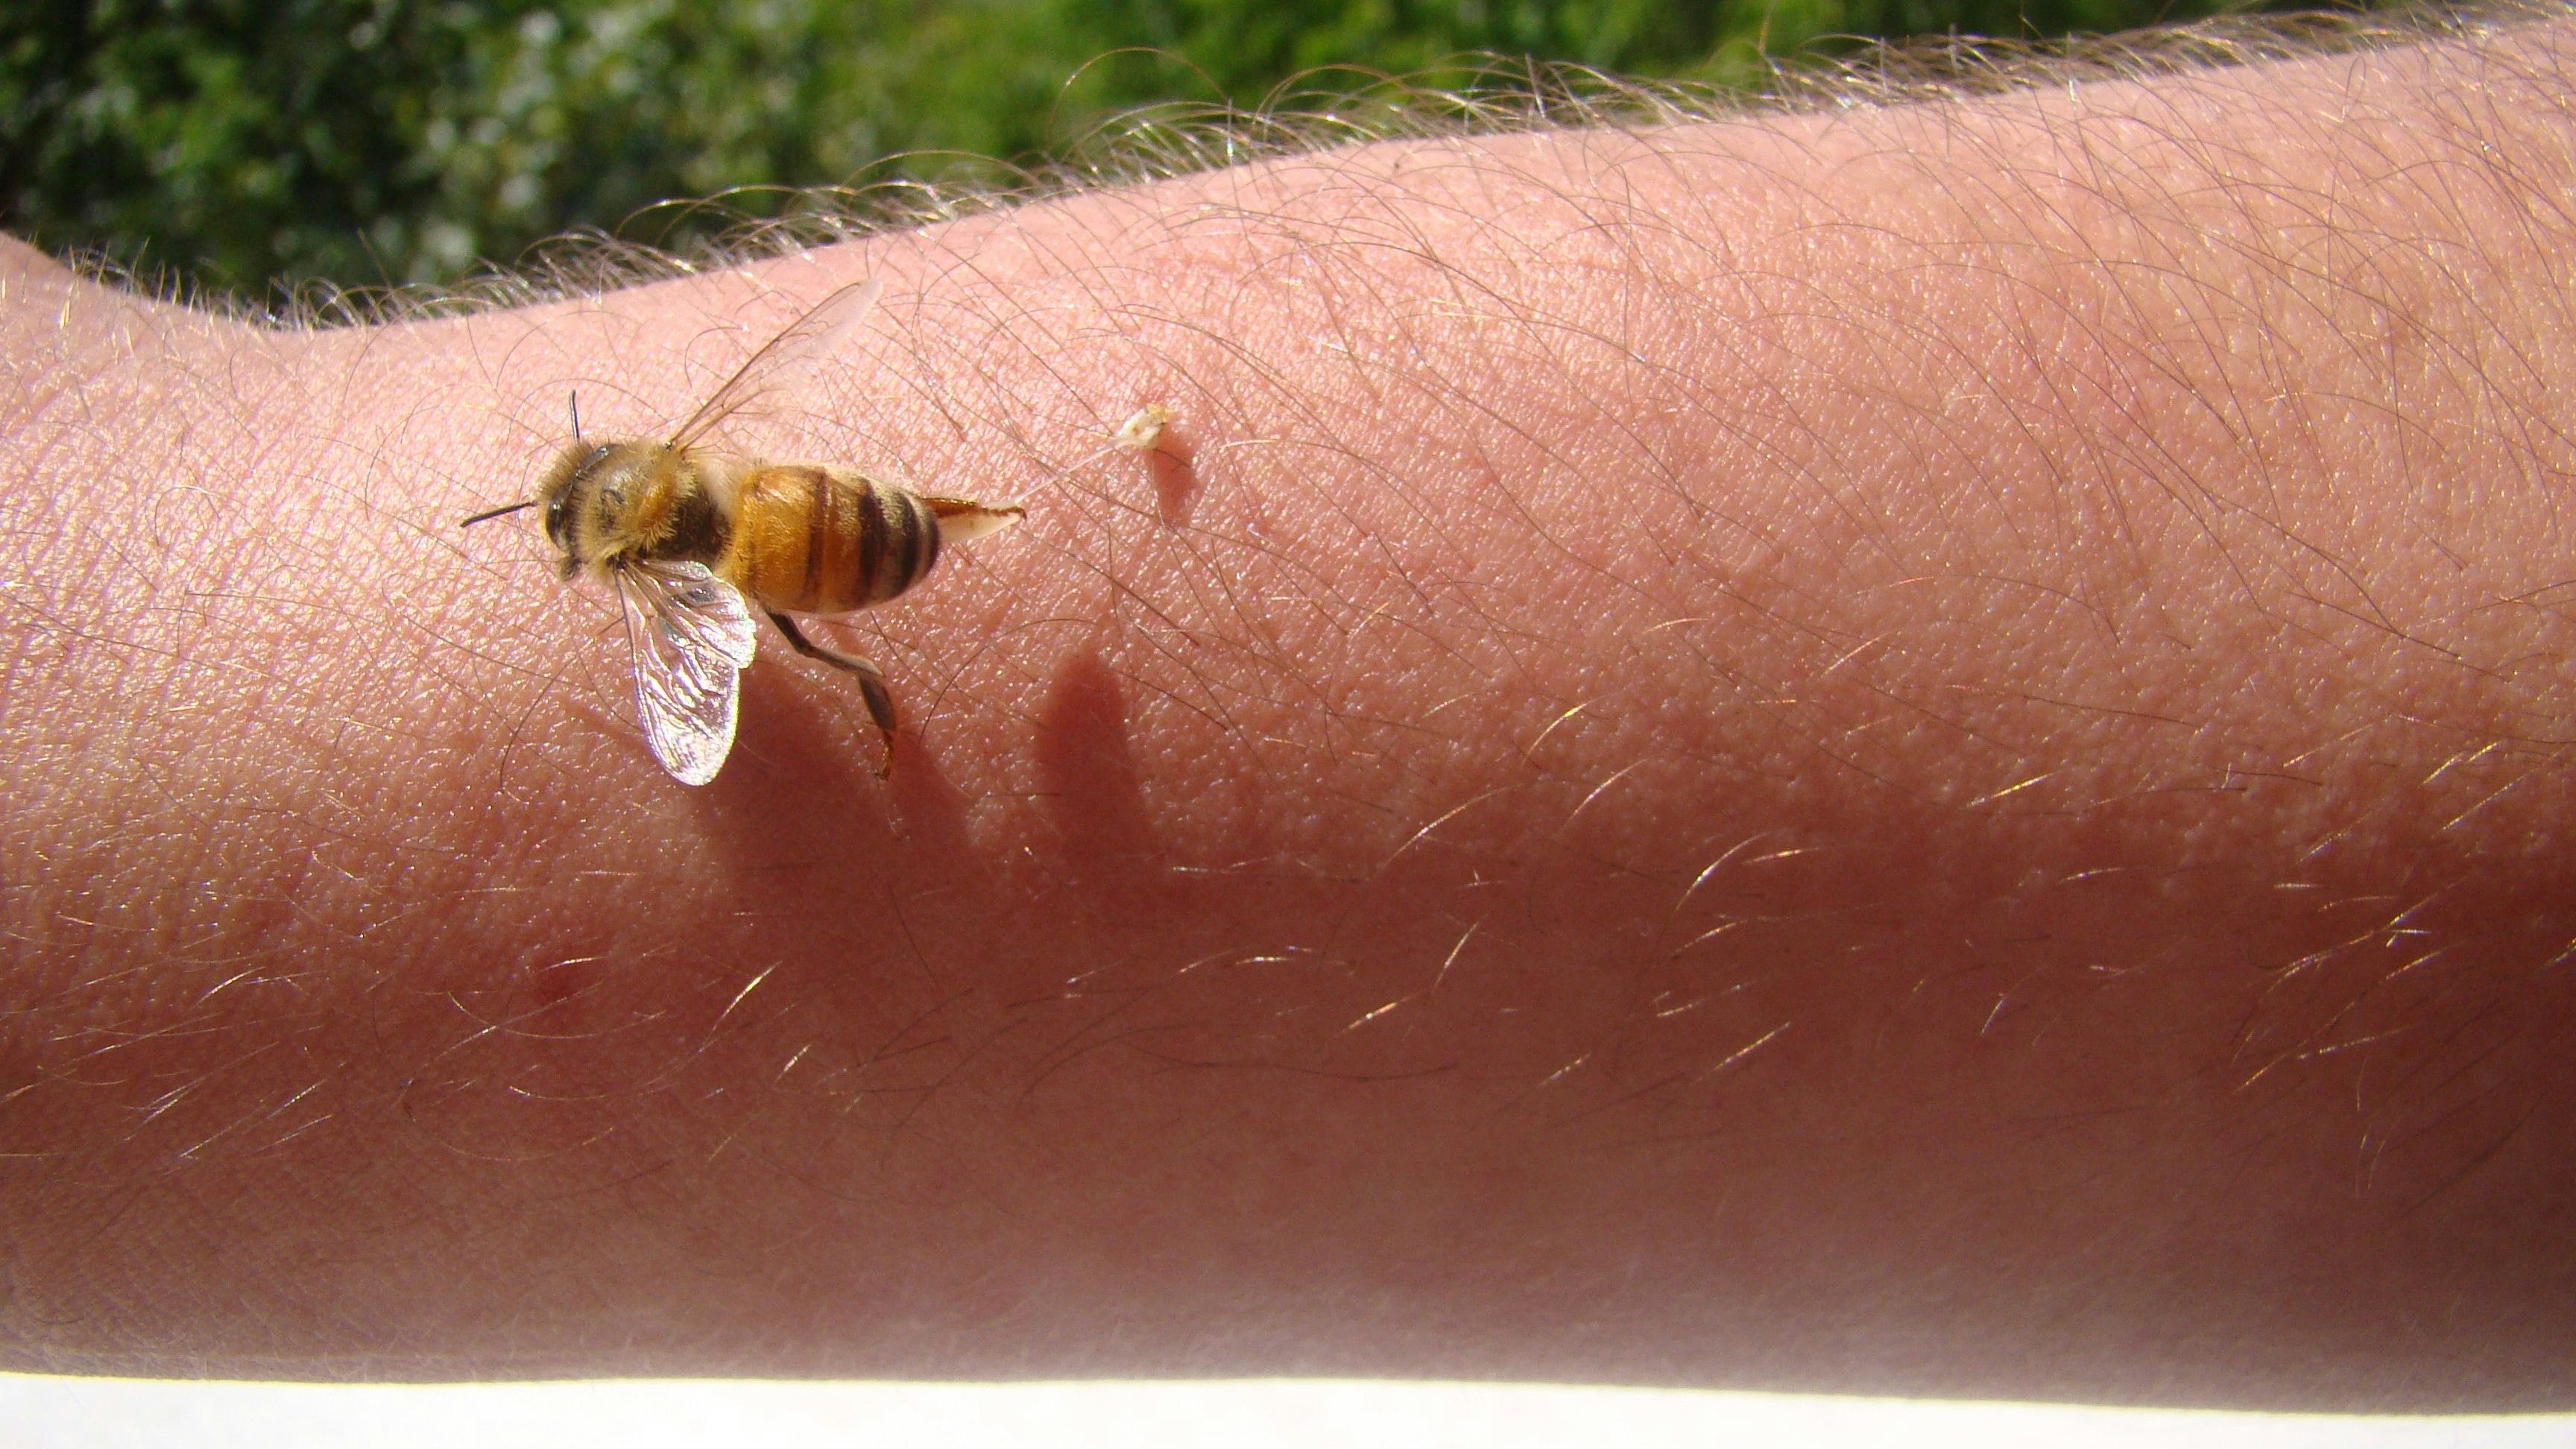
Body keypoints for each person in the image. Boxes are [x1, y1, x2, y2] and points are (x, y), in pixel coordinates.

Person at [3, 8, 2572, 1407]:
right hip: (841, 500)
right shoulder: (705, 483)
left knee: (818, 604)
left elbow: (697, 650)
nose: (603, 535)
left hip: (820, 567)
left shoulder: (668, 580)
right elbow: (763, 485)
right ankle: (932, 597)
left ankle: (910, 641)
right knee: (828, 548)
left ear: (607, 525)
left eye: (583, 524)